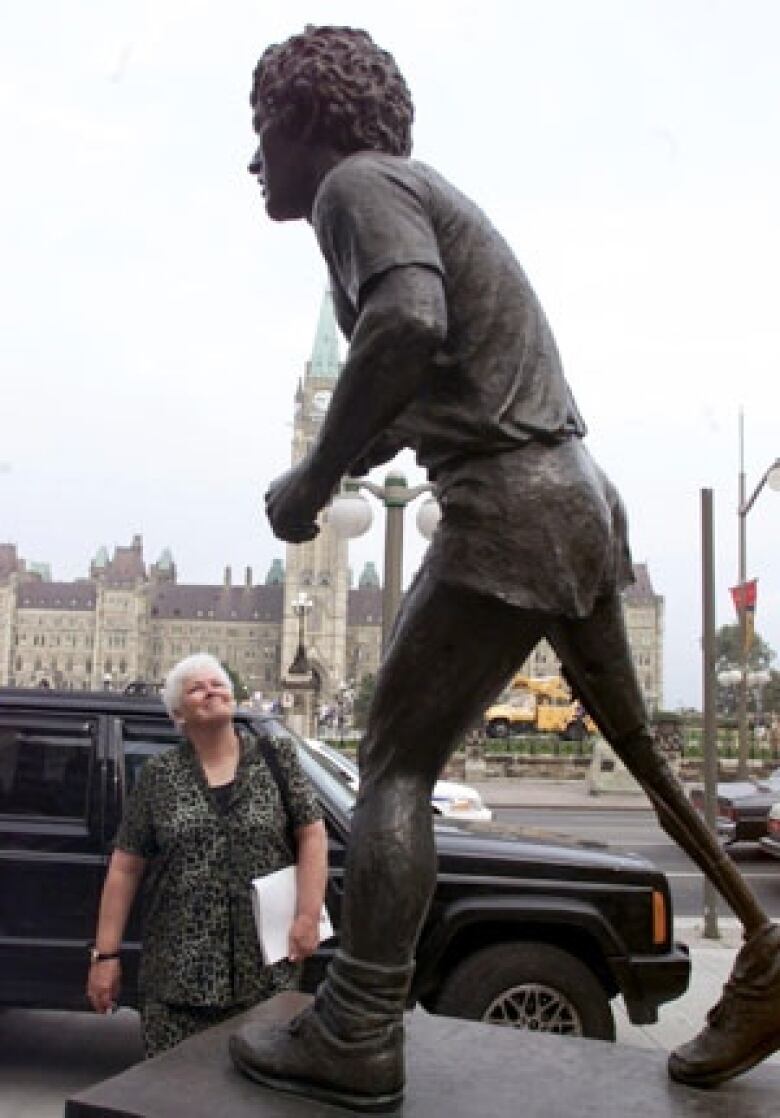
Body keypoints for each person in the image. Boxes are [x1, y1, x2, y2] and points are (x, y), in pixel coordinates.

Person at [230, 25, 780, 1111]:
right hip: (575, 489)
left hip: (508, 505)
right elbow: (438, 362)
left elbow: (406, 319)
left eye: (261, 133)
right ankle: (767, 946)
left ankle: (359, 1025)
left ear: (305, 123)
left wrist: (314, 478)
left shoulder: (357, 184)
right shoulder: (419, 190)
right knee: (644, 753)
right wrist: (371, 442)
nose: (255, 164)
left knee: (393, 765)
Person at [86, 653, 327, 1057]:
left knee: (255, 1098)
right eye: (196, 688)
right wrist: (105, 955)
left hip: (265, 975)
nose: (211, 691)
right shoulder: (159, 776)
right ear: (178, 714)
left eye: (218, 683)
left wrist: (307, 915)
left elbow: (313, 835)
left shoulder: (276, 758)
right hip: (177, 978)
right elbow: (125, 868)